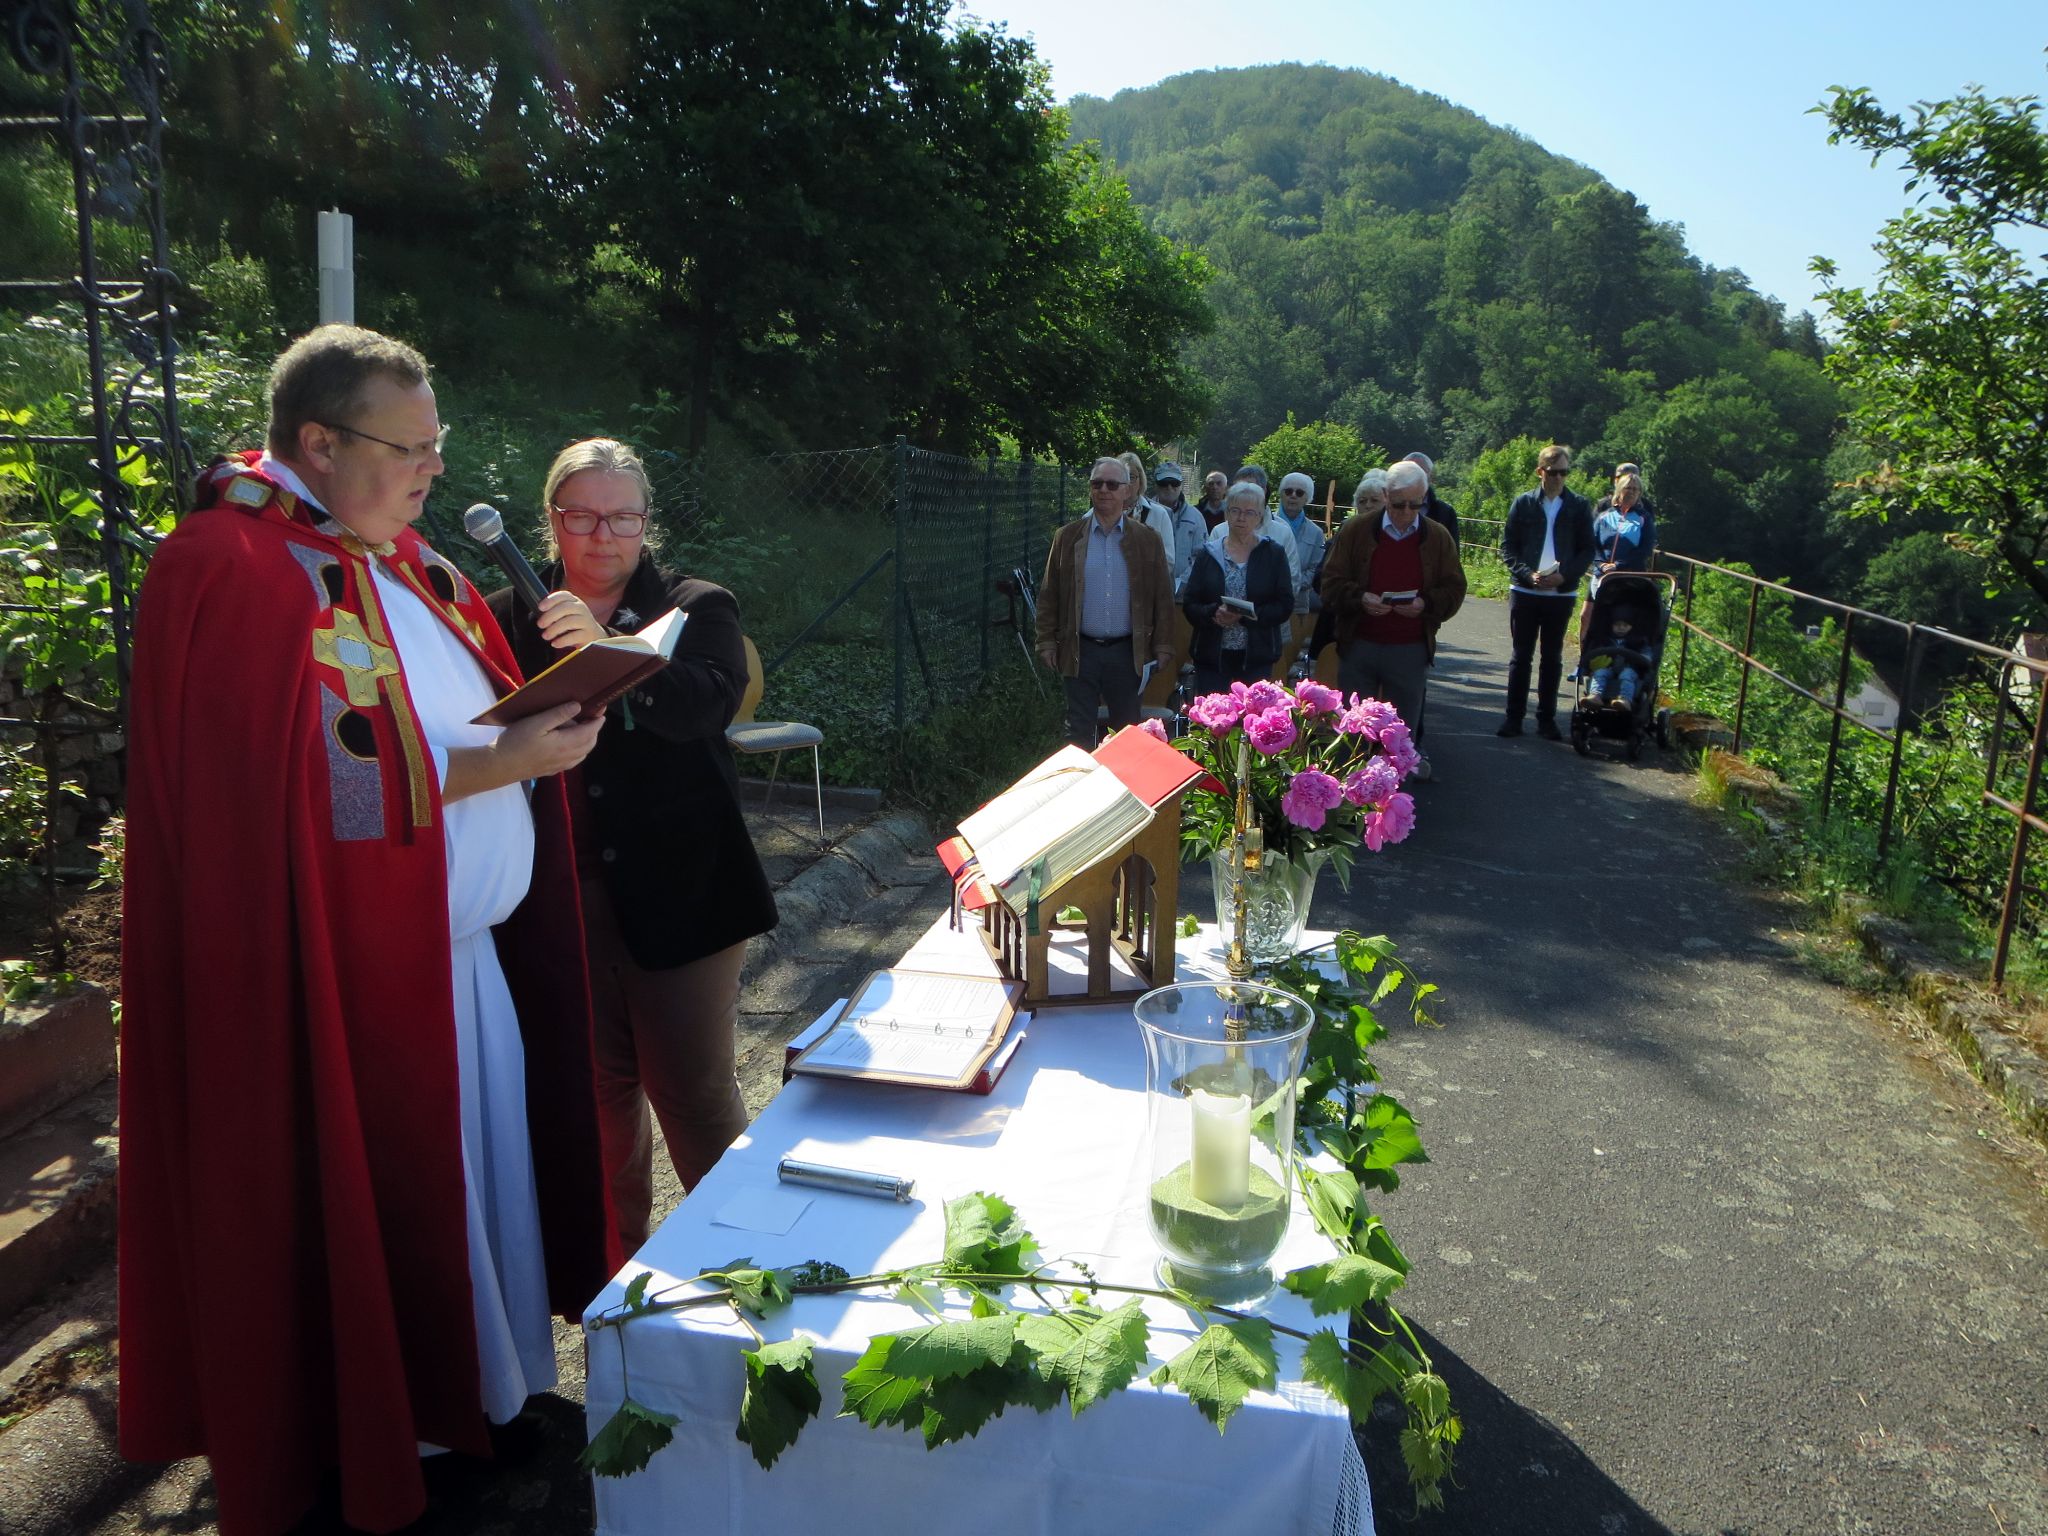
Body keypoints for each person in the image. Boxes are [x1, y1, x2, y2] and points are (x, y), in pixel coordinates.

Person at [120, 325, 617, 1536]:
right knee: (379, 1205)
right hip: (339, 984)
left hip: (460, 962)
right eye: (410, 449)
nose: (433, 470)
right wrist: (505, 763)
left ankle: (481, 1396)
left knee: (474, 1193)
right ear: (317, 442)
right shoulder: (233, 567)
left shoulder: (397, 558)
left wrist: (552, 714)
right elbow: (303, 798)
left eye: (436, 446)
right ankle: (387, 1436)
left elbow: (435, 725)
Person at [485, 438, 777, 1253]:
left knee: (693, 1095)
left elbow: (704, 707)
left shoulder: (696, 605)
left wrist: (607, 652)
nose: (602, 535)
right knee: (598, 1099)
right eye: (581, 516)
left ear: (647, 524)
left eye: (622, 518)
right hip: (553, 895)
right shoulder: (502, 613)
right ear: (551, 521)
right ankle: (620, 1279)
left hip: (686, 895)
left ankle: (745, 1263)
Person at [1321, 461, 1466, 779]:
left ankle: (1394, 802)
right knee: (1353, 732)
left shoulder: (1438, 537)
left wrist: (1426, 604)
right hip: (1359, 644)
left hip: (1410, 649)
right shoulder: (1356, 530)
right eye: (1399, 504)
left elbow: (1455, 588)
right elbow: (1329, 583)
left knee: (1401, 738)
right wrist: (1360, 598)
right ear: (1386, 495)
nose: (1407, 512)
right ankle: (1349, 799)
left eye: (1416, 505)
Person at [1037, 456, 1176, 745]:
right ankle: (1080, 775)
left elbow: (1162, 597)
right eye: (1097, 484)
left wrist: (1163, 645)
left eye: (1112, 485)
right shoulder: (1067, 537)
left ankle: (1123, 776)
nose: (1103, 490)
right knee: (1078, 731)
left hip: (1128, 652)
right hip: (1081, 649)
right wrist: (1046, 640)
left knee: (1127, 731)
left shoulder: (1147, 540)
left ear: (1127, 491)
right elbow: (1050, 593)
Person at [1498, 443, 1595, 740]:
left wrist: (1564, 576)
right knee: (1521, 656)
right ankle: (1514, 718)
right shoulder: (1523, 503)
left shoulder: (1579, 506)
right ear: (1540, 471)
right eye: (1553, 473)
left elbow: (1587, 550)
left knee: (1552, 657)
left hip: (1561, 594)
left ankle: (1546, 720)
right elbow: (1508, 547)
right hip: (1525, 591)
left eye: (1564, 472)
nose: (1559, 478)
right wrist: (1528, 575)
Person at [1183, 480, 1294, 696]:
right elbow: (1190, 604)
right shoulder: (1208, 553)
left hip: (1257, 656)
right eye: (1235, 510)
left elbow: (1284, 605)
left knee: (1254, 714)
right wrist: (1214, 612)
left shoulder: (1273, 554)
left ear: (1260, 516)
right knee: (1214, 714)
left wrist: (1245, 616)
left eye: (1249, 512)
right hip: (1212, 655)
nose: (1241, 518)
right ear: (1226, 513)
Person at [1116, 449, 1177, 577]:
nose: (1127, 483)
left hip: (1147, 584)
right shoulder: (1097, 515)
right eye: (1121, 477)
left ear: (1141, 480)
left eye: (1132, 477)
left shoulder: (1159, 515)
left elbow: (1168, 562)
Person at [1152, 459, 1209, 596]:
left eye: (1174, 483)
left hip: (1186, 592)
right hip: (1150, 589)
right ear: (1155, 485)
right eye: (1164, 483)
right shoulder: (1144, 513)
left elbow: (1202, 555)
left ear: (1181, 485)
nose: (1169, 487)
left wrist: (1183, 582)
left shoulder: (1196, 517)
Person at [1592, 464, 1657, 578]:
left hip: (1630, 573)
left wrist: (1618, 565)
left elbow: (1647, 544)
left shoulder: (1645, 511)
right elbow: (1591, 539)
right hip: (1601, 573)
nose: (1631, 491)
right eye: (1619, 478)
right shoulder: (1604, 507)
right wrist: (1600, 564)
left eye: (1634, 488)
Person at [1277, 471, 1327, 614]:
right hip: (1268, 601)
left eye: (1299, 493)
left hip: (1299, 606)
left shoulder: (1316, 532)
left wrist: (1291, 583)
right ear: (1281, 494)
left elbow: (1315, 569)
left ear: (1307, 498)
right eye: (1288, 491)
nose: (1293, 495)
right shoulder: (1266, 525)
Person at [1588, 600, 1653, 709]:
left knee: (1627, 675)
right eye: (1617, 625)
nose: (1621, 628)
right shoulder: (1605, 639)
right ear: (1611, 625)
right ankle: (1595, 695)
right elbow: (1595, 652)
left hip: (1630, 668)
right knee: (1600, 672)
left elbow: (1647, 655)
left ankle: (1625, 699)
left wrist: (1643, 658)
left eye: (1625, 625)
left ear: (1631, 626)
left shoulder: (1639, 641)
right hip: (1608, 667)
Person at [1402, 451, 1461, 545]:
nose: (1413, 477)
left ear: (1430, 477)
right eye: (1408, 471)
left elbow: (1452, 551)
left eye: (1420, 472)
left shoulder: (1445, 513)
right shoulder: (1389, 507)